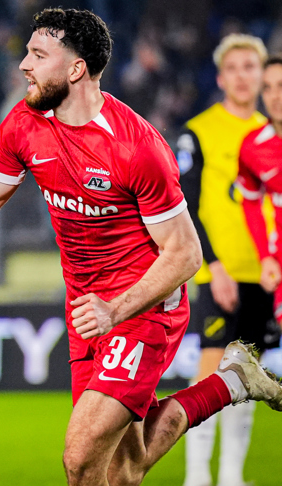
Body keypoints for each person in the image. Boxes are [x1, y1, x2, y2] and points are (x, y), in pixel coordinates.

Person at [0, 8, 282, 486]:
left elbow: (185, 253)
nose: (24, 65)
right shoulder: (23, 123)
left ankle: (230, 384)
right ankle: (232, 382)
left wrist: (115, 310)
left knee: (79, 458)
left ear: (76, 69)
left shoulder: (137, 146)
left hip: (142, 308)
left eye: (38, 55)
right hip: (87, 311)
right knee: (123, 470)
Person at [176, 34, 281, 486]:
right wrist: (213, 266)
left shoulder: (269, 133)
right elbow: (186, 205)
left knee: (247, 378)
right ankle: (197, 476)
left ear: (262, 76)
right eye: (233, 68)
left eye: (250, 67)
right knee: (210, 373)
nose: (242, 76)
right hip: (218, 273)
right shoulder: (198, 131)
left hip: (264, 274)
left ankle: (232, 477)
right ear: (220, 78)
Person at [238, 56, 282, 330]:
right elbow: (250, 203)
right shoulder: (253, 147)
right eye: (267, 87)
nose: (275, 96)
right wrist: (265, 258)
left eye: (281, 85)